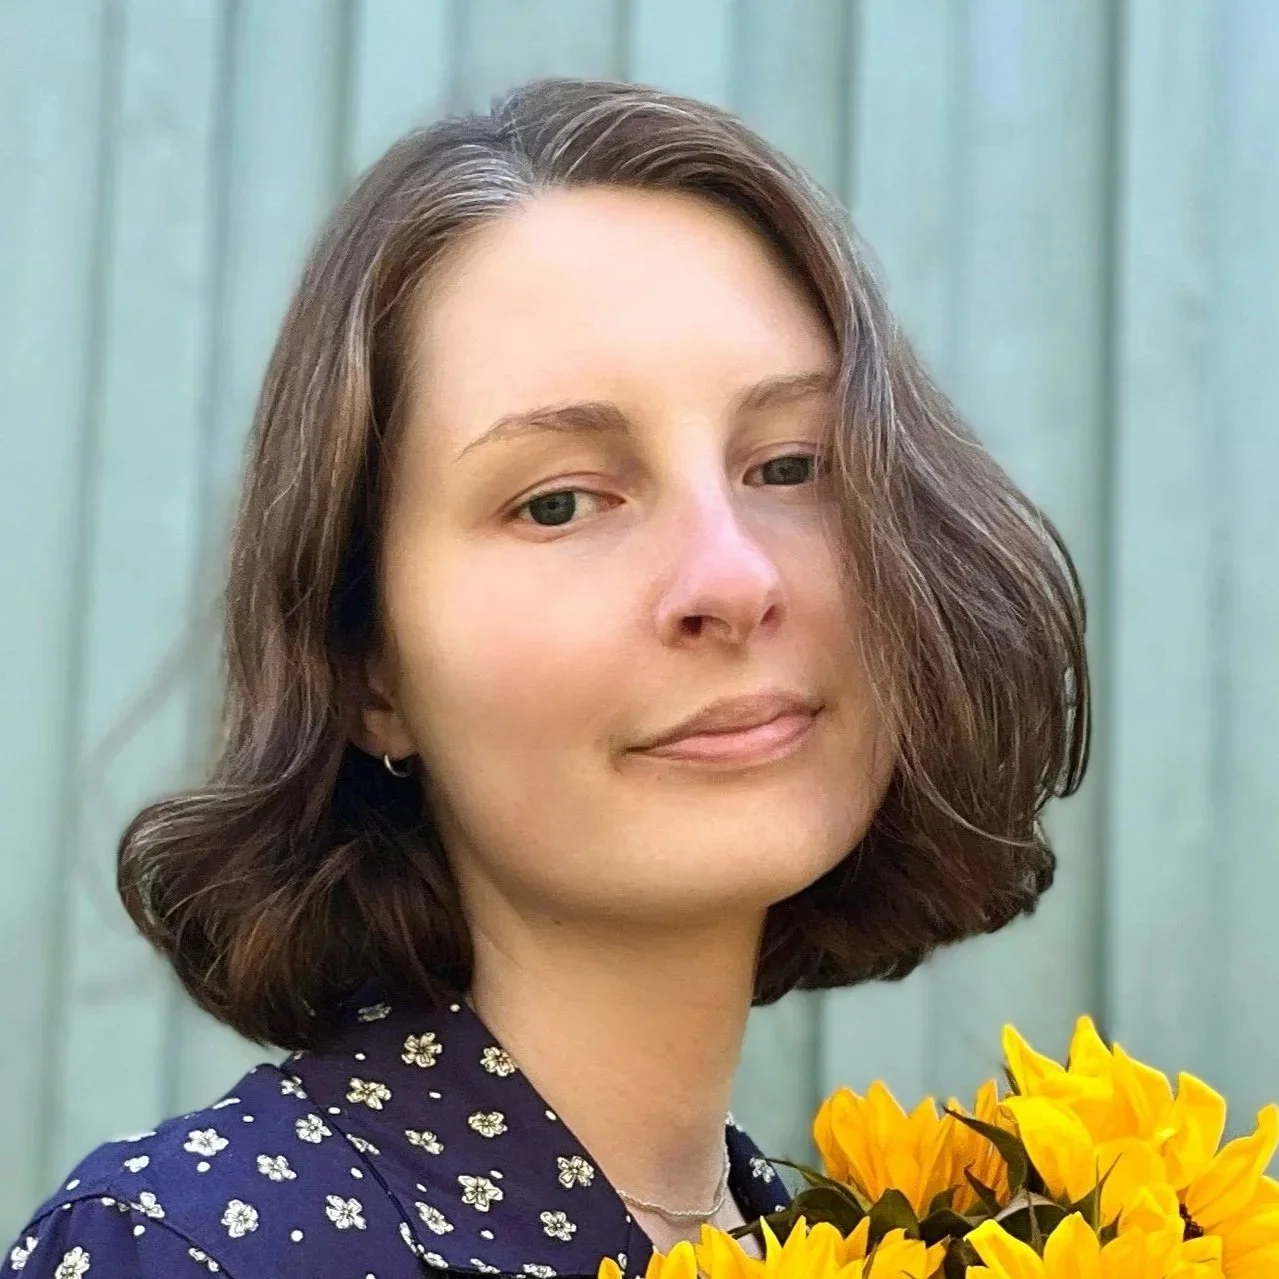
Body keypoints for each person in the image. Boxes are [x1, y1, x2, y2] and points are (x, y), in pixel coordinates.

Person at [3, 76, 1087, 1278]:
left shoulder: (880, 1247)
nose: (730, 578)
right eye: (560, 500)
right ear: (370, 666)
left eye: (789, 465)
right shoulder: (198, 1252)